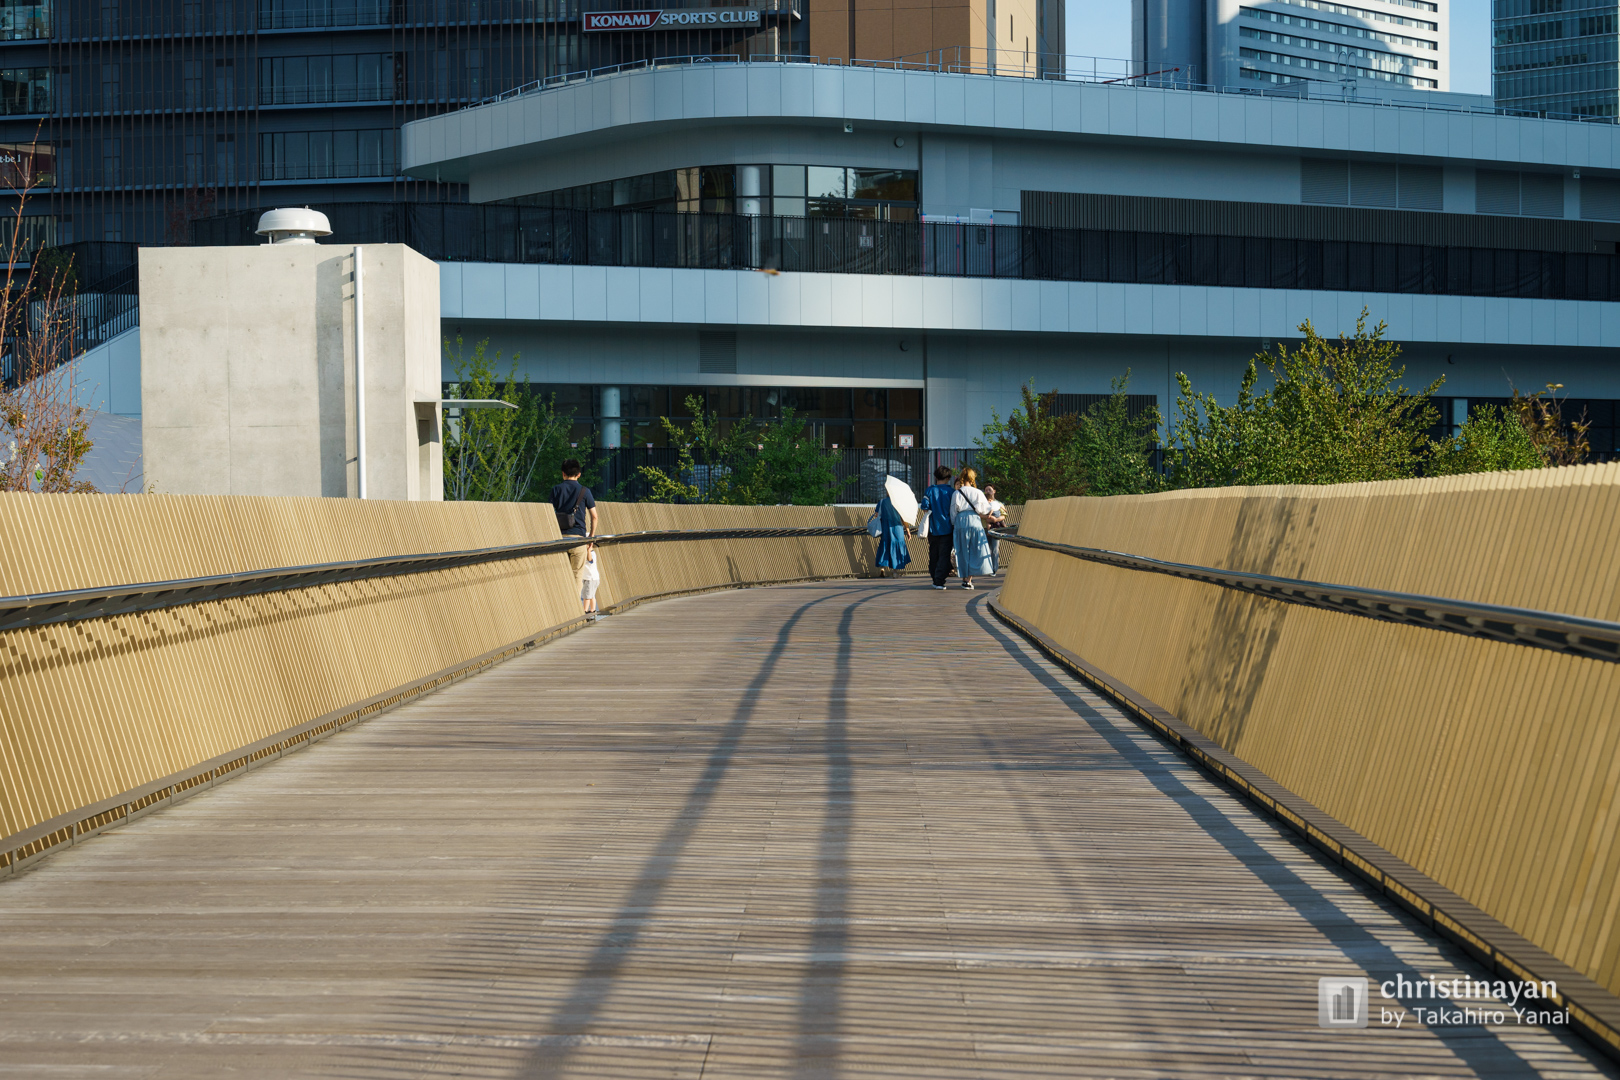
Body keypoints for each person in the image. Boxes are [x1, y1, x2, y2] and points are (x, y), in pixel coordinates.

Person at [550, 459, 598, 586]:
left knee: (561, 576)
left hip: (559, 539)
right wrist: (590, 538)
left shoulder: (556, 489)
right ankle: (575, 605)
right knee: (577, 575)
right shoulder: (585, 491)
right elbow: (594, 517)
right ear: (579, 474)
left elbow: (548, 513)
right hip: (578, 539)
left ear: (563, 474)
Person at [951, 466, 995, 589]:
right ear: (972, 478)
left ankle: (964, 577)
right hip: (974, 520)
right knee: (975, 549)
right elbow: (985, 509)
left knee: (962, 549)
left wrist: (955, 524)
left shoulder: (956, 493)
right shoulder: (978, 492)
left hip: (961, 521)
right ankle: (969, 579)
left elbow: (953, 512)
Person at [920, 465, 957, 590]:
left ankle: (935, 578)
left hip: (933, 528)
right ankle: (939, 580)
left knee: (933, 554)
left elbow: (925, 507)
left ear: (935, 477)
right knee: (944, 555)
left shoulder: (930, 490)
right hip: (947, 528)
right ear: (948, 478)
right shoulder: (952, 492)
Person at [872, 494, 912, 577]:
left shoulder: (882, 502)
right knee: (896, 549)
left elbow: (876, 515)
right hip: (897, 528)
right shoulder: (899, 503)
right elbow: (904, 518)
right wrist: (908, 530)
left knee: (885, 547)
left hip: (885, 528)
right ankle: (894, 572)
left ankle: (882, 569)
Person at [984, 484, 1008, 573]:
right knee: (986, 549)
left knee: (995, 549)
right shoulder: (983, 503)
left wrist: (995, 519)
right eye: (986, 490)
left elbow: (1004, 516)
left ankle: (994, 569)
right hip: (985, 528)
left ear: (994, 491)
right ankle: (987, 568)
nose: (988, 491)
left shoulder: (998, 503)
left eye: (989, 490)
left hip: (996, 527)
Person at [580, 544, 601, 621]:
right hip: (591, 578)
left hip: (590, 579)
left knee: (587, 596)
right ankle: (592, 611)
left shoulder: (591, 553)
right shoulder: (590, 552)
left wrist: (588, 550)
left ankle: (585, 613)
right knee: (591, 596)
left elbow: (590, 560)